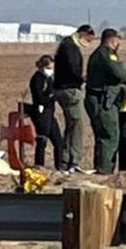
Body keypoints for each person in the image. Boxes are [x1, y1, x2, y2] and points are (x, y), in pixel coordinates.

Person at [85, 28, 126, 174]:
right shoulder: (105, 54)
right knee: (110, 136)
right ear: (114, 40)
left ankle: (101, 168)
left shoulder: (100, 54)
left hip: (99, 99)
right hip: (102, 101)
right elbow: (118, 73)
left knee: (103, 136)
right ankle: (105, 171)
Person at [53, 24, 96, 173]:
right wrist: (81, 79)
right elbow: (72, 69)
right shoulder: (70, 47)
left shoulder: (65, 44)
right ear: (83, 34)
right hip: (69, 90)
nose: (88, 44)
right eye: (89, 39)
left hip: (62, 88)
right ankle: (73, 161)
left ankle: (65, 160)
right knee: (76, 126)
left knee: (71, 125)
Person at [28, 55, 63, 170]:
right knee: (42, 139)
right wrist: (52, 95)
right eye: (48, 68)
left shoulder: (49, 79)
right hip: (41, 114)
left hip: (50, 113)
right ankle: (39, 166)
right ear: (42, 67)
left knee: (58, 141)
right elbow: (40, 98)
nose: (51, 71)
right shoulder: (37, 79)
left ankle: (60, 167)